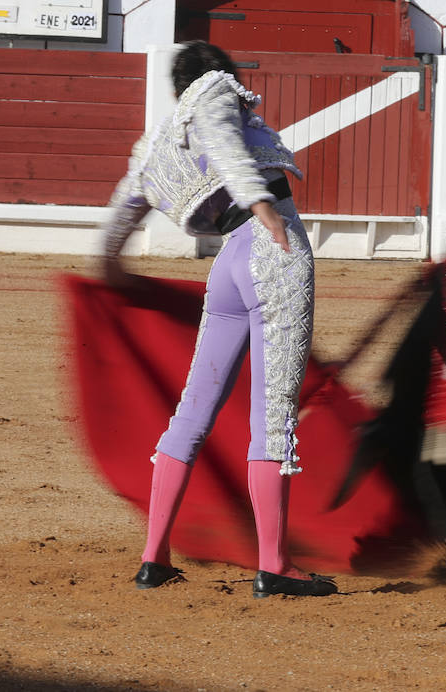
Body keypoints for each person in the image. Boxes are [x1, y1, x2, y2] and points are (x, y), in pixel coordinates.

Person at [102, 41, 335, 599]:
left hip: (227, 266)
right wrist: (261, 205)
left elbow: (126, 205)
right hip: (269, 249)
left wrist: (107, 265)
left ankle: (154, 557)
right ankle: (274, 564)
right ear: (219, 73)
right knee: (273, 413)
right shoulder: (214, 92)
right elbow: (228, 145)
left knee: (192, 411)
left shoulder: (157, 143)